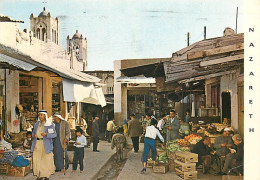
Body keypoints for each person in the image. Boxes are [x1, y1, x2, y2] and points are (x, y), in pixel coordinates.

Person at [31, 110, 56, 180]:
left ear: (45, 115)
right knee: (37, 159)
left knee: (46, 160)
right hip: (37, 143)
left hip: (46, 144)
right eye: (39, 115)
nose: (40, 116)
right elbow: (32, 133)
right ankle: (39, 175)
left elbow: (54, 135)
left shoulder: (50, 124)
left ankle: (46, 176)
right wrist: (34, 135)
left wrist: (46, 134)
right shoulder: (36, 124)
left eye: (41, 115)